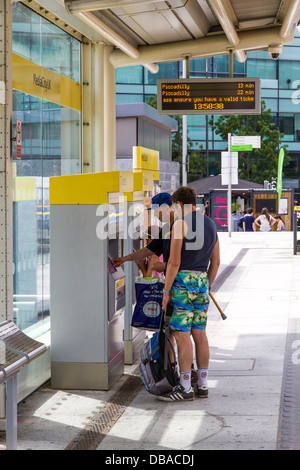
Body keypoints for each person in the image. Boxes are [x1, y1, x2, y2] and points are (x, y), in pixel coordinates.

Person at [157, 186, 220, 402]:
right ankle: (202, 384)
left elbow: (173, 262)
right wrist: (206, 285)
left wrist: (166, 291)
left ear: (180, 204)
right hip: (202, 282)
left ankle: (185, 388)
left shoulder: (179, 225)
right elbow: (216, 261)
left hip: (182, 283)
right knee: (200, 333)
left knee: (182, 335)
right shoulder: (211, 224)